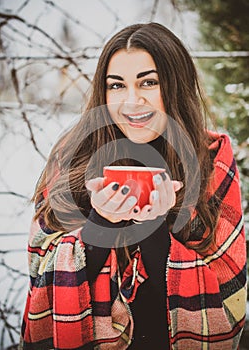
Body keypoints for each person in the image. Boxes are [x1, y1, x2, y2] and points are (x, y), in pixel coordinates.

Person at [20, 22, 246, 350]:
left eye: (148, 82)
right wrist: (99, 228)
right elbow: (43, 275)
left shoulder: (211, 162)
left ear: (176, 85)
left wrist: (153, 224)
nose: (131, 101)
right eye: (116, 86)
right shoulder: (73, 156)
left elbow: (226, 292)